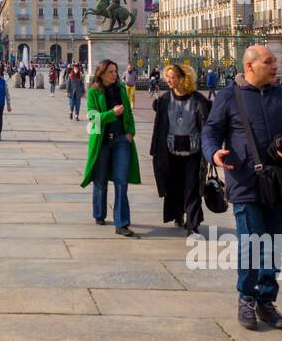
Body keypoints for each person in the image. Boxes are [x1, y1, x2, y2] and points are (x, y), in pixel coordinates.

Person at [202, 45, 282, 332]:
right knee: (251, 241)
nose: (276, 66)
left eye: (275, 61)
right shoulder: (229, 96)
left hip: (280, 181)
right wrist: (213, 152)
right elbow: (210, 131)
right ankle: (246, 297)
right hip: (244, 181)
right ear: (250, 66)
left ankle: (266, 299)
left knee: (275, 245)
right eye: (269, 62)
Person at [80, 59, 140, 237]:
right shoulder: (93, 92)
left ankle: (121, 223)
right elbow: (92, 116)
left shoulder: (121, 89)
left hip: (122, 140)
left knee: (121, 182)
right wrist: (111, 114)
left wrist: (131, 132)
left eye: (115, 71)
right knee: (100, 180)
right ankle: (99, 213)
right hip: (102, 142)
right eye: (111, 72)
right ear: (101, 74)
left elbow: (128, 112)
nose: (115, 75)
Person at [151, 63, 212, 234]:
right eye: (168, 77)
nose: (169, 80)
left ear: (183, 79)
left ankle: (193, 223)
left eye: (173, 77)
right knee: (174, 184)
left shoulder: (197, 99)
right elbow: (160, 126)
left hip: (193, 150)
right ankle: (177, 214)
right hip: (169, 150)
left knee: (191, 186)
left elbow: (206, 122)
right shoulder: (164, 99)